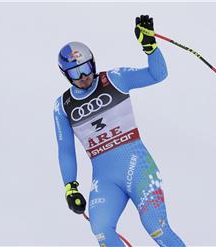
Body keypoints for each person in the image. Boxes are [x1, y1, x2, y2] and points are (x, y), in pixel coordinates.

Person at [53, 15, 186, 246]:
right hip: (105, 179)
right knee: (101, 228)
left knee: (157, 229)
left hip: (139, 169)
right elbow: (66, 150)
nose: (83, 77)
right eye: (75, 73)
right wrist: (70, 186)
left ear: (93, 63)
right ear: (66, 75)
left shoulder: (115, 79)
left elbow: (158, 74)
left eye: (85, 68)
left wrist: (150, 47)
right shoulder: (62, 106)